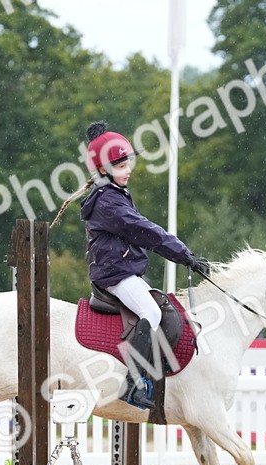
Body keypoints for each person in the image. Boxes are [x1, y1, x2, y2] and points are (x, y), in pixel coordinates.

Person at [76, 121, 211, 409]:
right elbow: (145, 230)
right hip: (115, 273)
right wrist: (183, 254)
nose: (129, 170)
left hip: (121, 270)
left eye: (128, 163)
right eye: (122, 165)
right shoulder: (108, 202)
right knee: (150, 310)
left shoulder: (114, 193)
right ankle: (133, 383)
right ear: (103, 170)